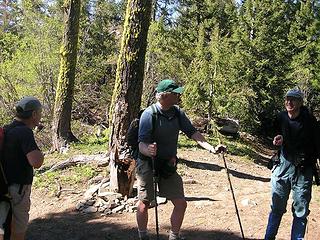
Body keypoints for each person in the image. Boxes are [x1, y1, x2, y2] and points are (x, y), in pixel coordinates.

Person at [136, 79, 226, 240]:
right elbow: (141, 143)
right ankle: (143, 236)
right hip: (147, 164)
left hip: (168, 164)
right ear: (165, 96)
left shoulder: (177, 113)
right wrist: (148, 150)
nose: (179, 95)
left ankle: (174, 236)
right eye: (176, 93)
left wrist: (211, 148)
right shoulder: (149, 114)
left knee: (180, 203)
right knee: (145, 202)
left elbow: (192, 132)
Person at [264, 89, 320, 240]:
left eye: (293, 99)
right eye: (287, 99)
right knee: (276, 207)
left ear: (300, 103)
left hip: (303, 170)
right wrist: (277, 139)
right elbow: (275, 133)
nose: (289, 102)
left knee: (301, 210)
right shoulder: (281, 117)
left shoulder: (310, 121)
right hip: (283, 166)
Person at [3, 96, 44, 240]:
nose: (40, 116)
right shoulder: (25, 132)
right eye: (39, 113)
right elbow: (36, 162)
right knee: (18, 227)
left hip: (2, 187)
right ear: (33, 114)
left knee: (3, 226)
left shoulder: (6, 129)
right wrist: (40, 153)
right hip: (17, 190)